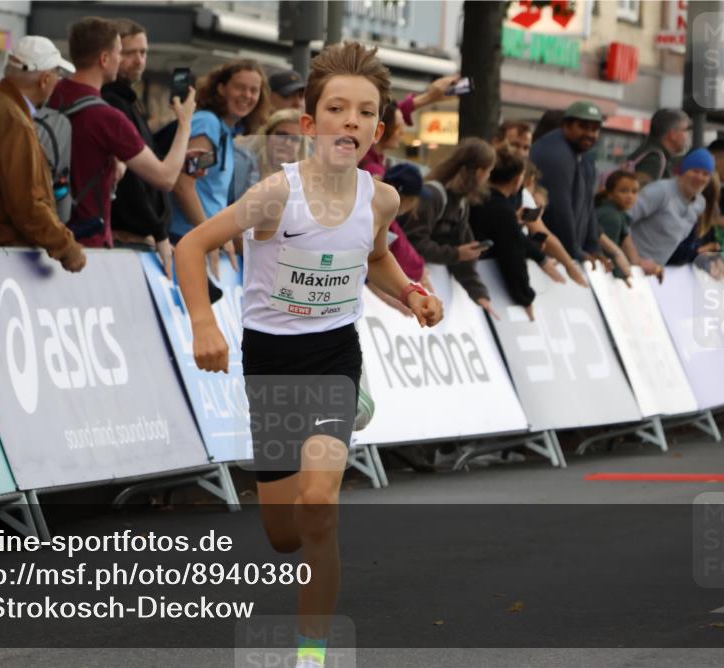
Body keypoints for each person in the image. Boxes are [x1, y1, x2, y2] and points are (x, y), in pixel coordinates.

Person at [175, 41, 442, 668]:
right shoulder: (276, 194)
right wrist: (202, 323)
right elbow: (192, 246)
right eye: (337, 108)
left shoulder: (381, 199)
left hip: (333, 359)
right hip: (270, 363)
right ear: (309, 123)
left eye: (364, 112)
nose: (350, 120)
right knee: (284, 534)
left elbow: (374, 257)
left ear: (378, 129)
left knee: (320, 506)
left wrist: (409, 291)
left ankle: (312, 653)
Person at [50, 17, 197, 249]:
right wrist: (185, 122)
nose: (123, 60)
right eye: (121, 53)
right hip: (90, 241)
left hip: (52, 233)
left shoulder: (51, 94)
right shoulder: (108, 117)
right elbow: (166, 178)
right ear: (105, 59)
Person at [0, 36, 86, 273]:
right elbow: (27, 203)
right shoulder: (13, 120)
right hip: (1, 257)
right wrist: (67, 247)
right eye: (57, 75)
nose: (58, 82)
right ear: (45, 80)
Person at [169, 58, 269, 274]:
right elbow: (183, 185)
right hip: (188, 240)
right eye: (240, 87)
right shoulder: (208, 123)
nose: (247, 95)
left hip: (204, 241)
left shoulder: (226, 132)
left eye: (254, 90)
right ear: (222, 88)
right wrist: (209, 236)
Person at [101, 19, 176, 275]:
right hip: (126, 238)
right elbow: (134, 182)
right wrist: (159, 231)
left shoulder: (130, 102)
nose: (139, 60)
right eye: (129, 53)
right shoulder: (112, 102)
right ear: (110, 55)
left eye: (143, 52)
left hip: (142, 236)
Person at [398, 137, 497, 318]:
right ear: (480, 172)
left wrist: (478, 293)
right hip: (409, 281)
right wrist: (457, 254)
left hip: (423, 284)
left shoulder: (461, 203)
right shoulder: (433, 195)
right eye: (489, 171)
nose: (489, 177)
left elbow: (465, 250)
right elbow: (414, 243)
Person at [495, 120, 588, 286]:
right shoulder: (476, 181)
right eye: (514, 145)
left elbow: (540, 230)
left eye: (526, 147)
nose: (521, 153)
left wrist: (569, 265)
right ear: (496, 142)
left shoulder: (522, 192)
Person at [470, 145, 555, 321]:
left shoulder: (479, 200)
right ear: (517, 180)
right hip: (480, 281)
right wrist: (525, 298)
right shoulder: (501, 209)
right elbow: (512, 256)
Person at [529, 101, 604, 263]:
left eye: (595, 129)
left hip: (564, 255)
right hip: (547, 256)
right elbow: (559, 209)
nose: (590, 134)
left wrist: (593, 248)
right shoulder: (556, 153)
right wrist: (575, 252)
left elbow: (588, 206)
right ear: (566, 126)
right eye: (583, 127)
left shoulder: (582, 155)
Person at [358, 75, 459, 179]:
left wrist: (430, 97)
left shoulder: (367, 155)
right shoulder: (372, 171)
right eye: (398, 127)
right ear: (380, 129)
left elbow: (393, 112)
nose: (402, 133)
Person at [627, 148, 712, 266]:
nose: (699, 177)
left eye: (705, 174)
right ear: (683, 170)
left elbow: (679, 244)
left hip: (653, 273)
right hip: (628, 265)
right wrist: (635, 259)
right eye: (695, 171)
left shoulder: (700, 204)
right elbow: (623, 219)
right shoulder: (661, 191)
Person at [370, 163, 435, 315]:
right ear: (406, 199)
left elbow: (397, 238)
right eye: (414, 199)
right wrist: (391, 297)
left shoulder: (380, 206)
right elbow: (370, 259)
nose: (414, 206)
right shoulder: (374, 208)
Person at [595, 170, 663, 281]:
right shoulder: (611, 217)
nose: (630, 196)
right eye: (624, 191)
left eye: (634, 192)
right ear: (610, 193)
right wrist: (623, 275)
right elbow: (608, 254)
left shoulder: (620, 215)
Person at [627, 108, 690, 185]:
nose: (688, 135)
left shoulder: (650, 151)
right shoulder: (654, 160)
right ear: (673, 134)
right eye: (686, 130)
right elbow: (643, 194)